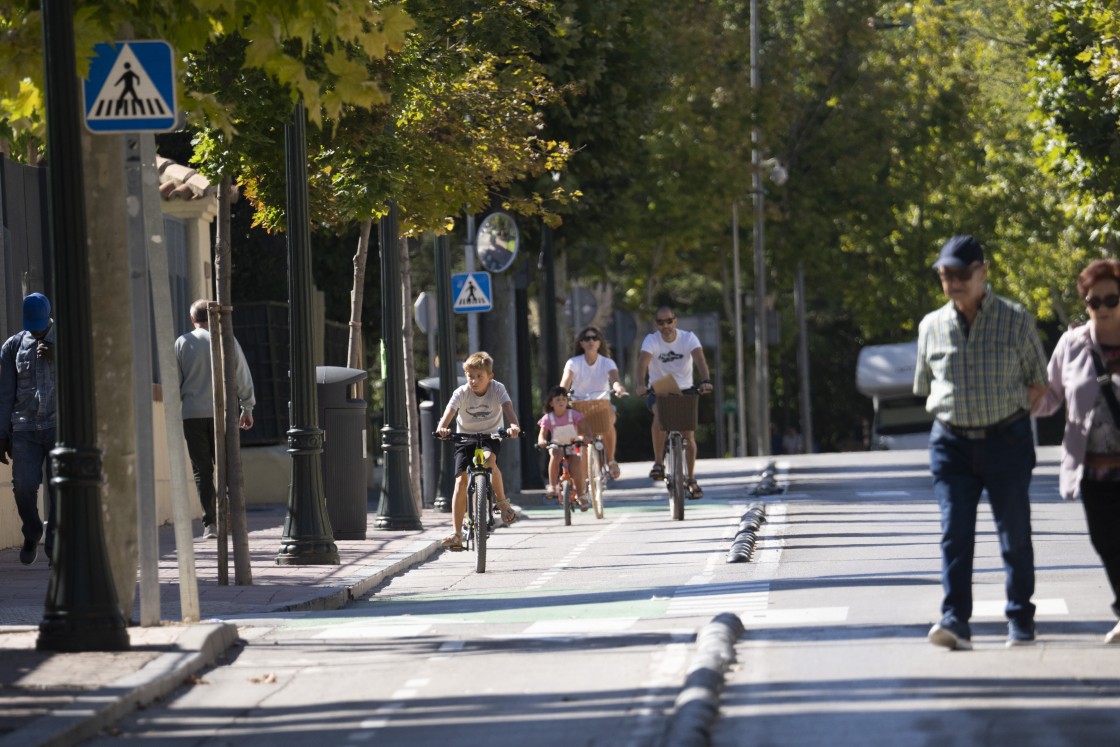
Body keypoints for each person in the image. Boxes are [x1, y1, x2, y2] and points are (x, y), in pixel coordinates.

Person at [913, 235, 1049, 650]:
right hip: (950, 444)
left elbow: (1038, 384)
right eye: (945, 275)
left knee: (1015, 533)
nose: (953, 282)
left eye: (961, 274)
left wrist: (1002, 417)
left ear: (982, 272)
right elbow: (925, 386)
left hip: (1006, 440)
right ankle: (955, 621)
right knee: (954, 534)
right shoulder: (931, 326)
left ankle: (1020, 621)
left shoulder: (1016, 319)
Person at [1031, 259, 1120, 645]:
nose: (1102, 308)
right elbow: (1051, 397)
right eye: (1093, 300)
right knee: (1105, 541)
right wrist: (1023, 395)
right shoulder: (1072, 343)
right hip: (1094, 470)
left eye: (1111, 299)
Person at [175, 299, 256, 540]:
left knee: (202, 470)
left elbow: (174, 383)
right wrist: (247, 407)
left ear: (192, 319)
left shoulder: (182, 342)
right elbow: (242, 374)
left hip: (192, 414)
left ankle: (210, 523)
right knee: (228, 465)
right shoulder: (227, 340)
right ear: (215, 319)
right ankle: (234, 517)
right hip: (222, 414)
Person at [436, 351, 522, 548]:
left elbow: (508, 407)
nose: (474, 381)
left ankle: (502, 502)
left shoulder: (497, 388)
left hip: (490, 436)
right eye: (470, 376)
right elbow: (449, 412)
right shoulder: (461, 392)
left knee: (489, 460)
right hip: (464, 438)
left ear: (490, 376)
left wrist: (514, 426)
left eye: (479, 376)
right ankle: (457, 533)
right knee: (460, 481)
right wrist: (442, 427)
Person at [0, 293, 57, 566]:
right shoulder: (12, 347)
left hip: (57, 426)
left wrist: (59, 356)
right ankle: (32, 531)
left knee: (60, 488)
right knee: (23, 486)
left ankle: (56, 542)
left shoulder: (65, 340)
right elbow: (5, 393)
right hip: (24, 428)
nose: (35, 330)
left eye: (39, 324)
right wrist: (2, 433)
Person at [635, 305, 714, 499]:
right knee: (660, 413)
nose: (665, 326)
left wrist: (706, 381)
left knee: (688, 433)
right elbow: (642, 363)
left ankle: (691, 478)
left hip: (686, 389)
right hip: (659, 389)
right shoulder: (651, 340)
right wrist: (639, 384)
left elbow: (700, 360)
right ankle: (658, 463)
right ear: (656, 324)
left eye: (669, 321)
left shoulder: (688, 338)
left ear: (675, 321)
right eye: (661, 322)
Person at [559, 325, 627, 479]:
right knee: (582, 440)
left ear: (600, 343)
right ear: (581, 343)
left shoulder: (607, 362)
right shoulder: (573, 362)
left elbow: (615, 379)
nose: (591, 341)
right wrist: (561, 394)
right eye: (587, 338)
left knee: (608, 421)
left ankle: (611, 460)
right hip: (579, 406)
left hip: (601, 405)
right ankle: (583, 480)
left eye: (594, 338)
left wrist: (618, 388)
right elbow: (565, 382)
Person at [537, 385, 594, 510]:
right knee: (556, 455)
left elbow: (585, 427)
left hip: (572, 445)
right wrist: (542, 441)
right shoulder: (548, 418)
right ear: (551, 403)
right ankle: (552, 486)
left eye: (564, 399)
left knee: (576, 465)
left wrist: (588, 436)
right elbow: (542, 435)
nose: (561, 402)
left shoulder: (572, 414)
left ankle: (581, 495)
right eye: (557, 399)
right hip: (557, 445)